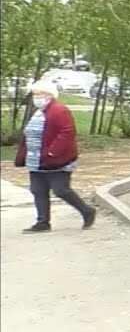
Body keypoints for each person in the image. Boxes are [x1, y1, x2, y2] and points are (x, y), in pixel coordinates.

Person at [13, 80, 97, 233]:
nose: (36, 97)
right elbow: (29, 134)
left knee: (61, 190)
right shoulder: (37, 111)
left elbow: (67, 132)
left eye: (39, 94)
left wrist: (52, 152)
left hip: (57, 159)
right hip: (36, 160)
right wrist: (24, 154)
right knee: (38, 190)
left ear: (50, 95)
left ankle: (87, 211)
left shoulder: (59, 110)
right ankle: (42, 222)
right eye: (34, 94)